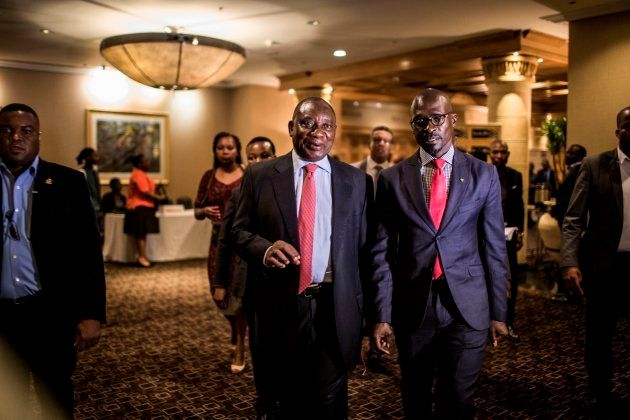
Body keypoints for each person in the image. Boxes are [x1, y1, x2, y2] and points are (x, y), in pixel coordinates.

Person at [371, 89, 509, 419]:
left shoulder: (483, 174)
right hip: (412, 306)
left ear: (452, 121)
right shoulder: (391, 179)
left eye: (437, 118)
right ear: (412, 126)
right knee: (415, 397)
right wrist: (381, 314)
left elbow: (494, 247)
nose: (429, 126)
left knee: (458, 400)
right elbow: (381, 252)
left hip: (467, 306)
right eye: (421, 120)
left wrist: (499, 312)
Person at [231, 97, 371, 419]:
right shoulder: (260, 176)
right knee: (280, 396)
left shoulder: (357, 182)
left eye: (326, 126)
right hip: (277, 303)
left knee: (328, 400)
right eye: (308, 123)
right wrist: (264, 250)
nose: (316, 132)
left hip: (333, 304)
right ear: (292, 127)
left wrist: (374, 314)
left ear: (334, 132)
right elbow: (237, 233)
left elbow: (366, 251)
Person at [0, 103, 106, 417]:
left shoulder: (68, 182)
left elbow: (88, 251)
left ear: (38, 137)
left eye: (26, 131)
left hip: (49, 312)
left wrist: (91, 313)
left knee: (54, 395)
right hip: (1, 314)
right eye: (7, 131)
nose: (16, 137)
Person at [561, 107, 630, 416]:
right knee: (599, 336)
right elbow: (574, 219)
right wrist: (569, 262)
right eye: (628, 125)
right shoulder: (594, 165)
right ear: (618, 132)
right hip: (605, 267)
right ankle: (599, 393)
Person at [214, 136, 277, 415]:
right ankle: (264, 398)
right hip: (249, 278)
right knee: (258, 342)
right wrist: (220, 282)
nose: (258, 162)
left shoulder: (289, 190)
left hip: (282, 280)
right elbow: (225, 240)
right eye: (252, 157)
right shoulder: (239, 194)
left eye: (264, 156)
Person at [194, 132, 244, 371]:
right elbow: (196, 208)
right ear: (215, 151)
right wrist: (205, 212)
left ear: (237, 150)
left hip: (241, 243)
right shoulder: (208, 176)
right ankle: (235, 329)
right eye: (220, 148)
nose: (225, 152)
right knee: (219, 293)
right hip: (217, 243)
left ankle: (240, 342)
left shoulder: (247, 173)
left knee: (239, 294)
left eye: (229, 147)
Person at [489, 139, 524, 339]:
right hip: (486, 237)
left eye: (503, 152)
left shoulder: (515, 176)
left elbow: (518, 205)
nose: (499, 155)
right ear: (490, 153)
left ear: (508, 154)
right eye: (496, 152)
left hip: (509, 235)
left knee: (511, 280)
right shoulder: (482, 173)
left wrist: (520, 232)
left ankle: (509, 320)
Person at [124, 153, 165, 268]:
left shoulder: (142, 174)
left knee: (143, 234)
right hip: (138, 207)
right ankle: (141, 257)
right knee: (140, 234)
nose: (148, 162)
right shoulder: (137, 174)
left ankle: (143, 256)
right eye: (146, 161)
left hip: (145, 207)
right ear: (139, 163)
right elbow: (145, 191)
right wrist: (160, 197)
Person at [553, 144, 587, 227]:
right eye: (567, 153)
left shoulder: (578, 171)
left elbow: (568, 195)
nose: (567, 155)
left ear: (580, 157)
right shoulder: (574, 170)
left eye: (571, 154)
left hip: (570, 218)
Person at [352, 125, 394, 190]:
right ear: (369, 144)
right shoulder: (353, 169)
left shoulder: (397, 172)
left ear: (391, 147)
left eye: (386, 141)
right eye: (377, 140)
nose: (381, 143)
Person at [76, 147, 101, 215]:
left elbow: (97, 190)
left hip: (96, 207)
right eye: (95, 156)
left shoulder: (94, 172)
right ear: (88, 157)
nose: (97, 158)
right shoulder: (82, 172)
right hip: (87, 208)